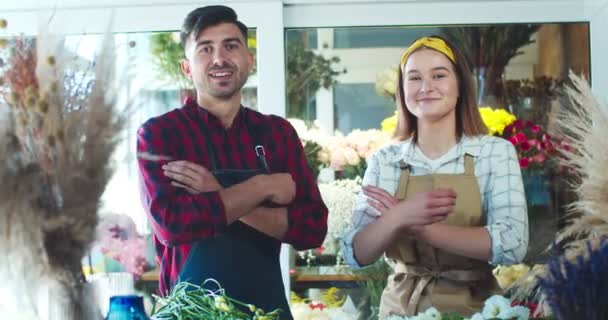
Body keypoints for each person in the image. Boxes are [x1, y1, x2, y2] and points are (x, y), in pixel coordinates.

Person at [136, 5, 328, 319]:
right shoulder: (161, 135)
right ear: (187, 68)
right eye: (205, 49)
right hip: (189, 314)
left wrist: (215, 193)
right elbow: (173, 225)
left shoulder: (276, 133)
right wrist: (261, 186)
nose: (219, 59)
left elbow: (312, 229)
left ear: (249, 60)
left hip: (265, 311)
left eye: (231, 46)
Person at [342, 36, 528, 318]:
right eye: (414, 78)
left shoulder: (495, 153)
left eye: (439, 75)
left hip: (477, 309)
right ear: (402, 91)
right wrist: (396, 218)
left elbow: (513, 244)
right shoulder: (385, 161)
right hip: (401, 309)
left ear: (460, 85)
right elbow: (356, 254)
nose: (426, 87)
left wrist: (423, 229)